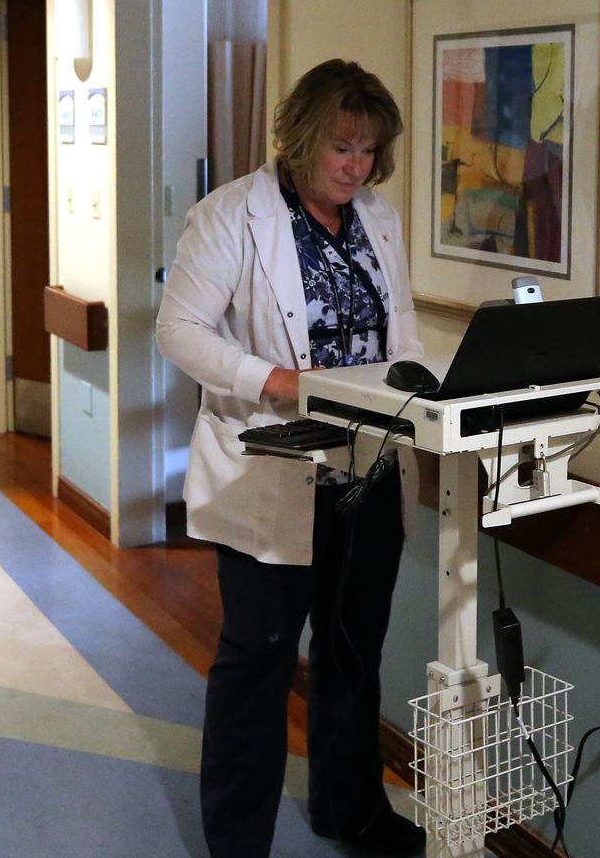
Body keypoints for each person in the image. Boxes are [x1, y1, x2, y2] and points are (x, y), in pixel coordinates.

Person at [157, 60, 427, 857]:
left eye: (370, 151)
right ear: (302, 138)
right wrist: (269, 377)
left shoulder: (377, 218)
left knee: (352, 652)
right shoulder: (231, 215)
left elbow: (399, 328)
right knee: (260, 659)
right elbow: (179, 331)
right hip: (272, 467)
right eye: (343, 148)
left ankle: (351, 813)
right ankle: (238, 842)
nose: (357, 167)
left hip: (367, 470)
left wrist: (424, 391)